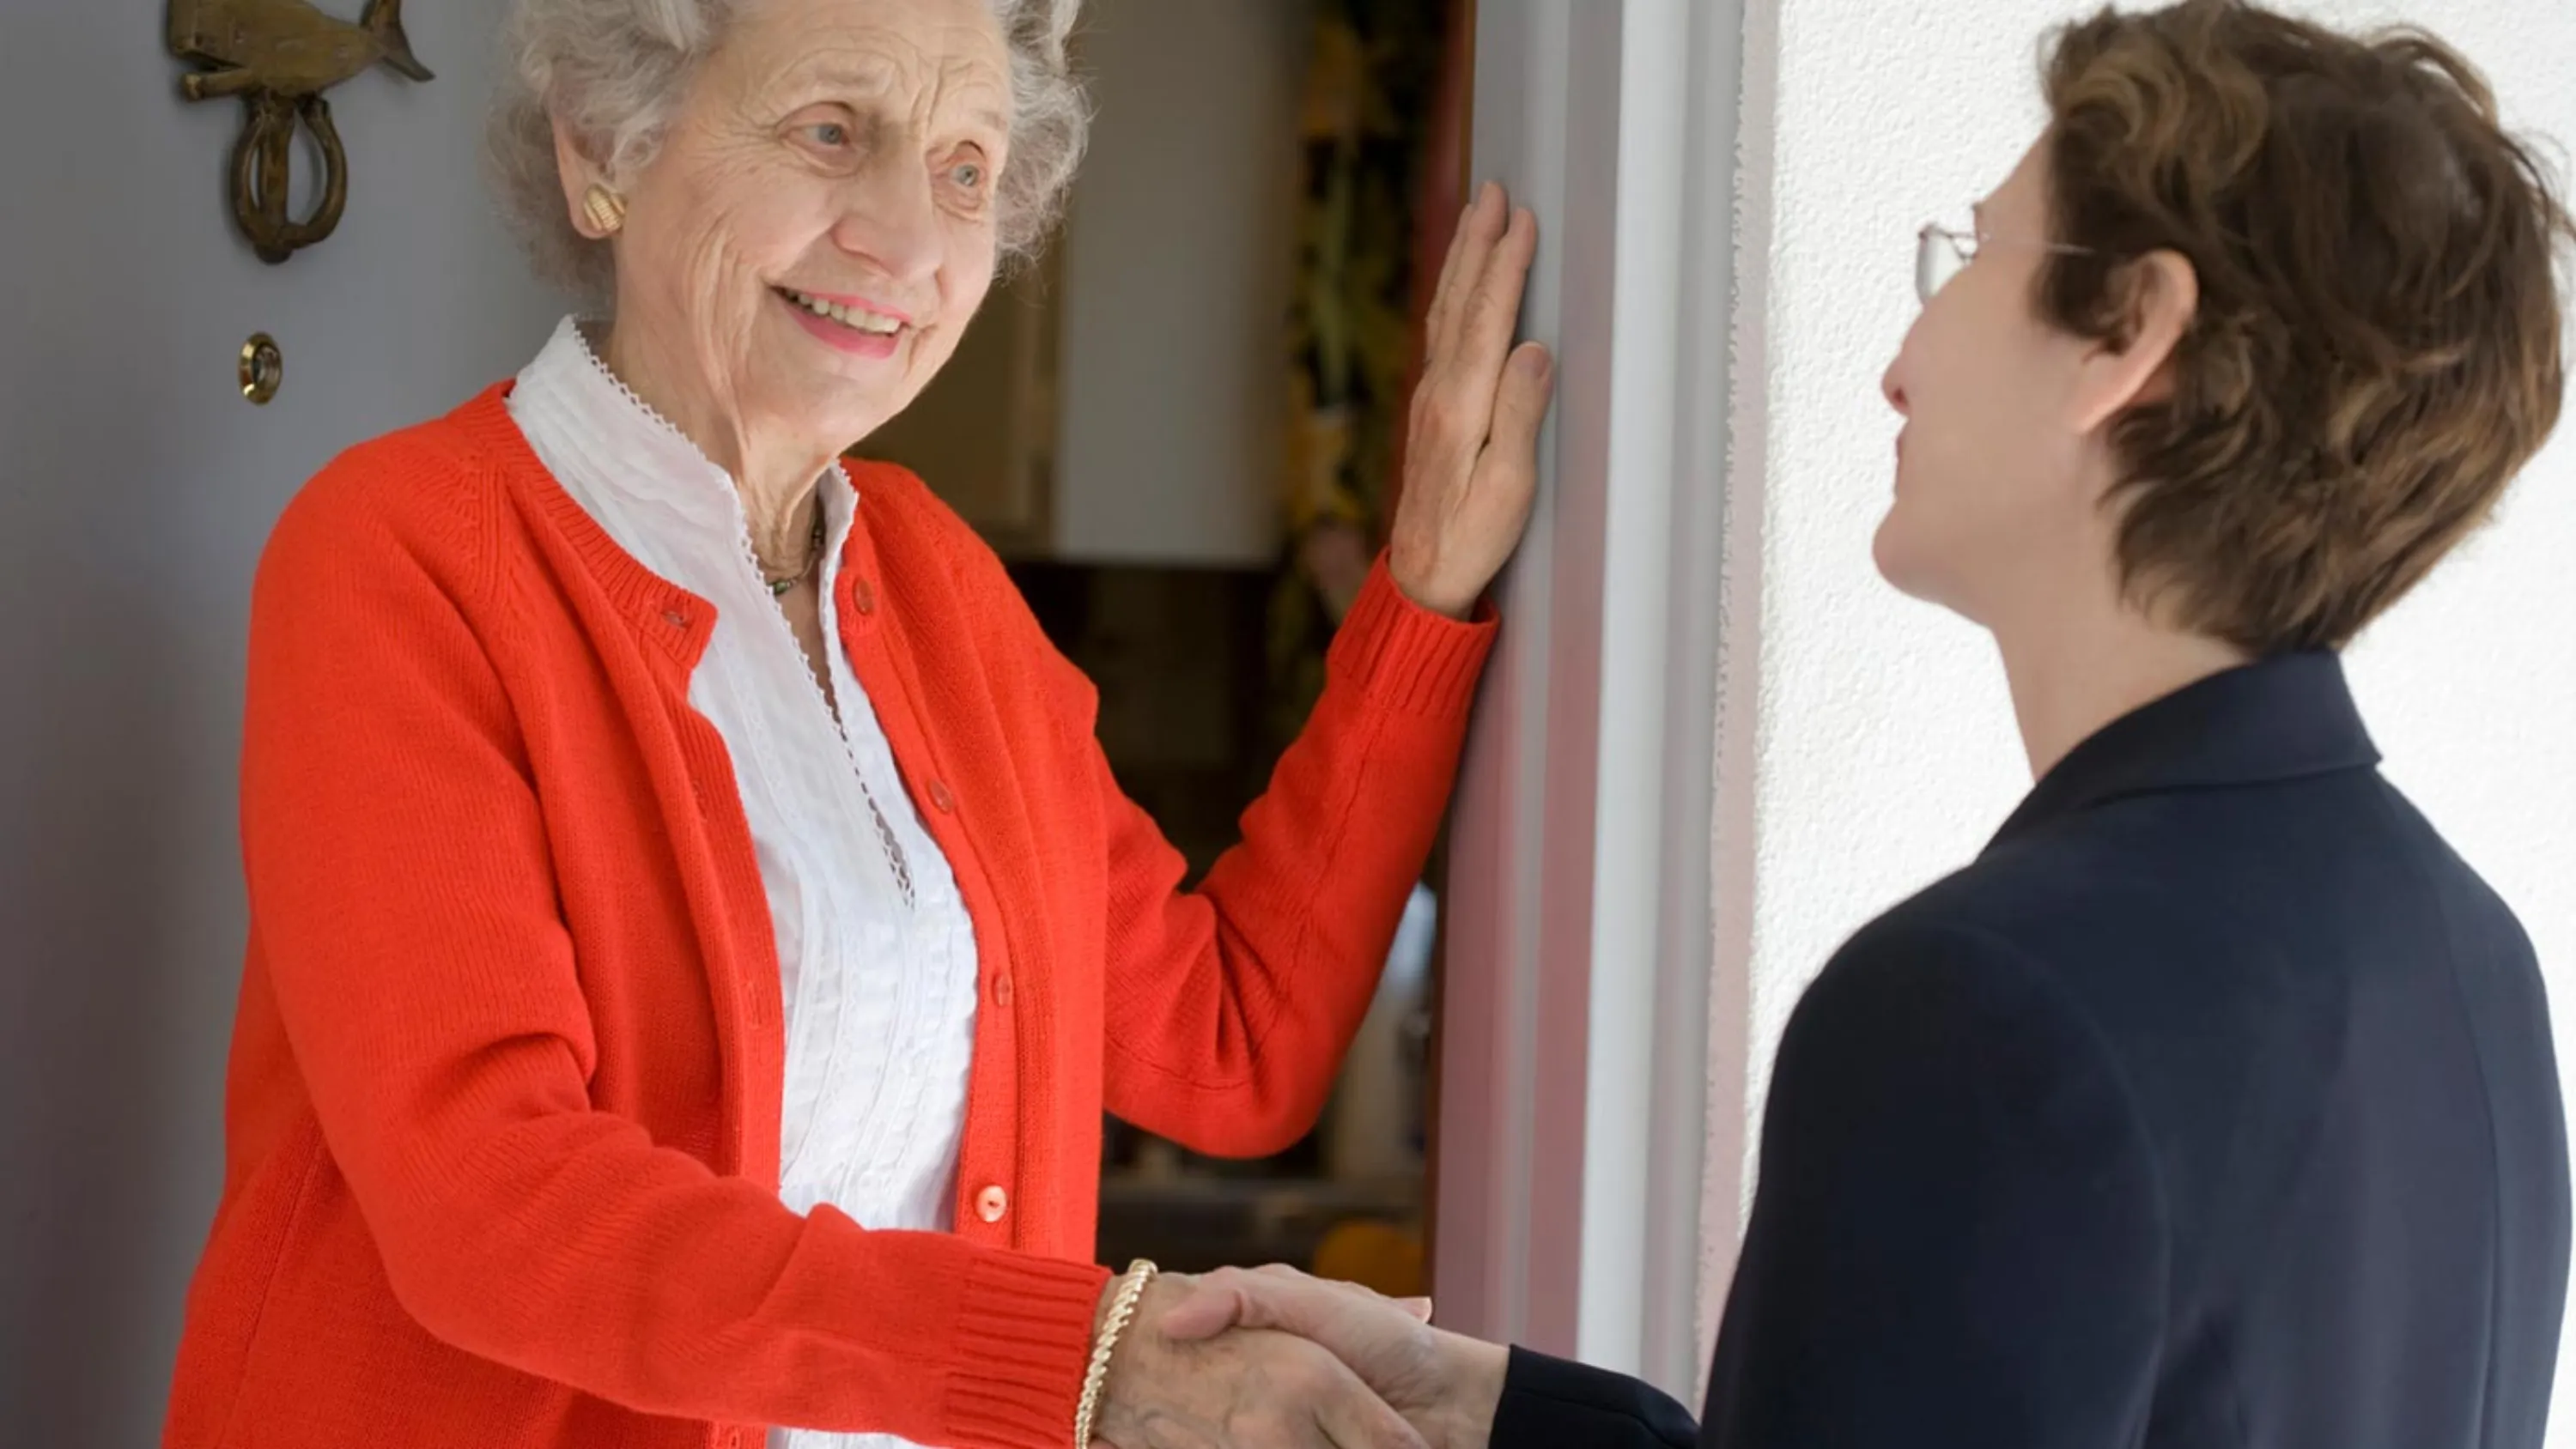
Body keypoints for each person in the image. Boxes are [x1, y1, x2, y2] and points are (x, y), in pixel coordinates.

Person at [1159, 3, 2574, 1446]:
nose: (1904, 361)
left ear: (2132, 333)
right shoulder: (2472, 961)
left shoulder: (1977, 1004)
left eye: (1972, 255)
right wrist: (1483, 1408)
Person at [160, 0, 1554, 1445]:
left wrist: (1421, 596)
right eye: (831, 132)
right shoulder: (403, 555)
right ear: (602, 150)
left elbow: (1230, 1042)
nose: (908, 242)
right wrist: (1082, 1363)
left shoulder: (941, 585)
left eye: (965, 169)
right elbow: (491, 1207)